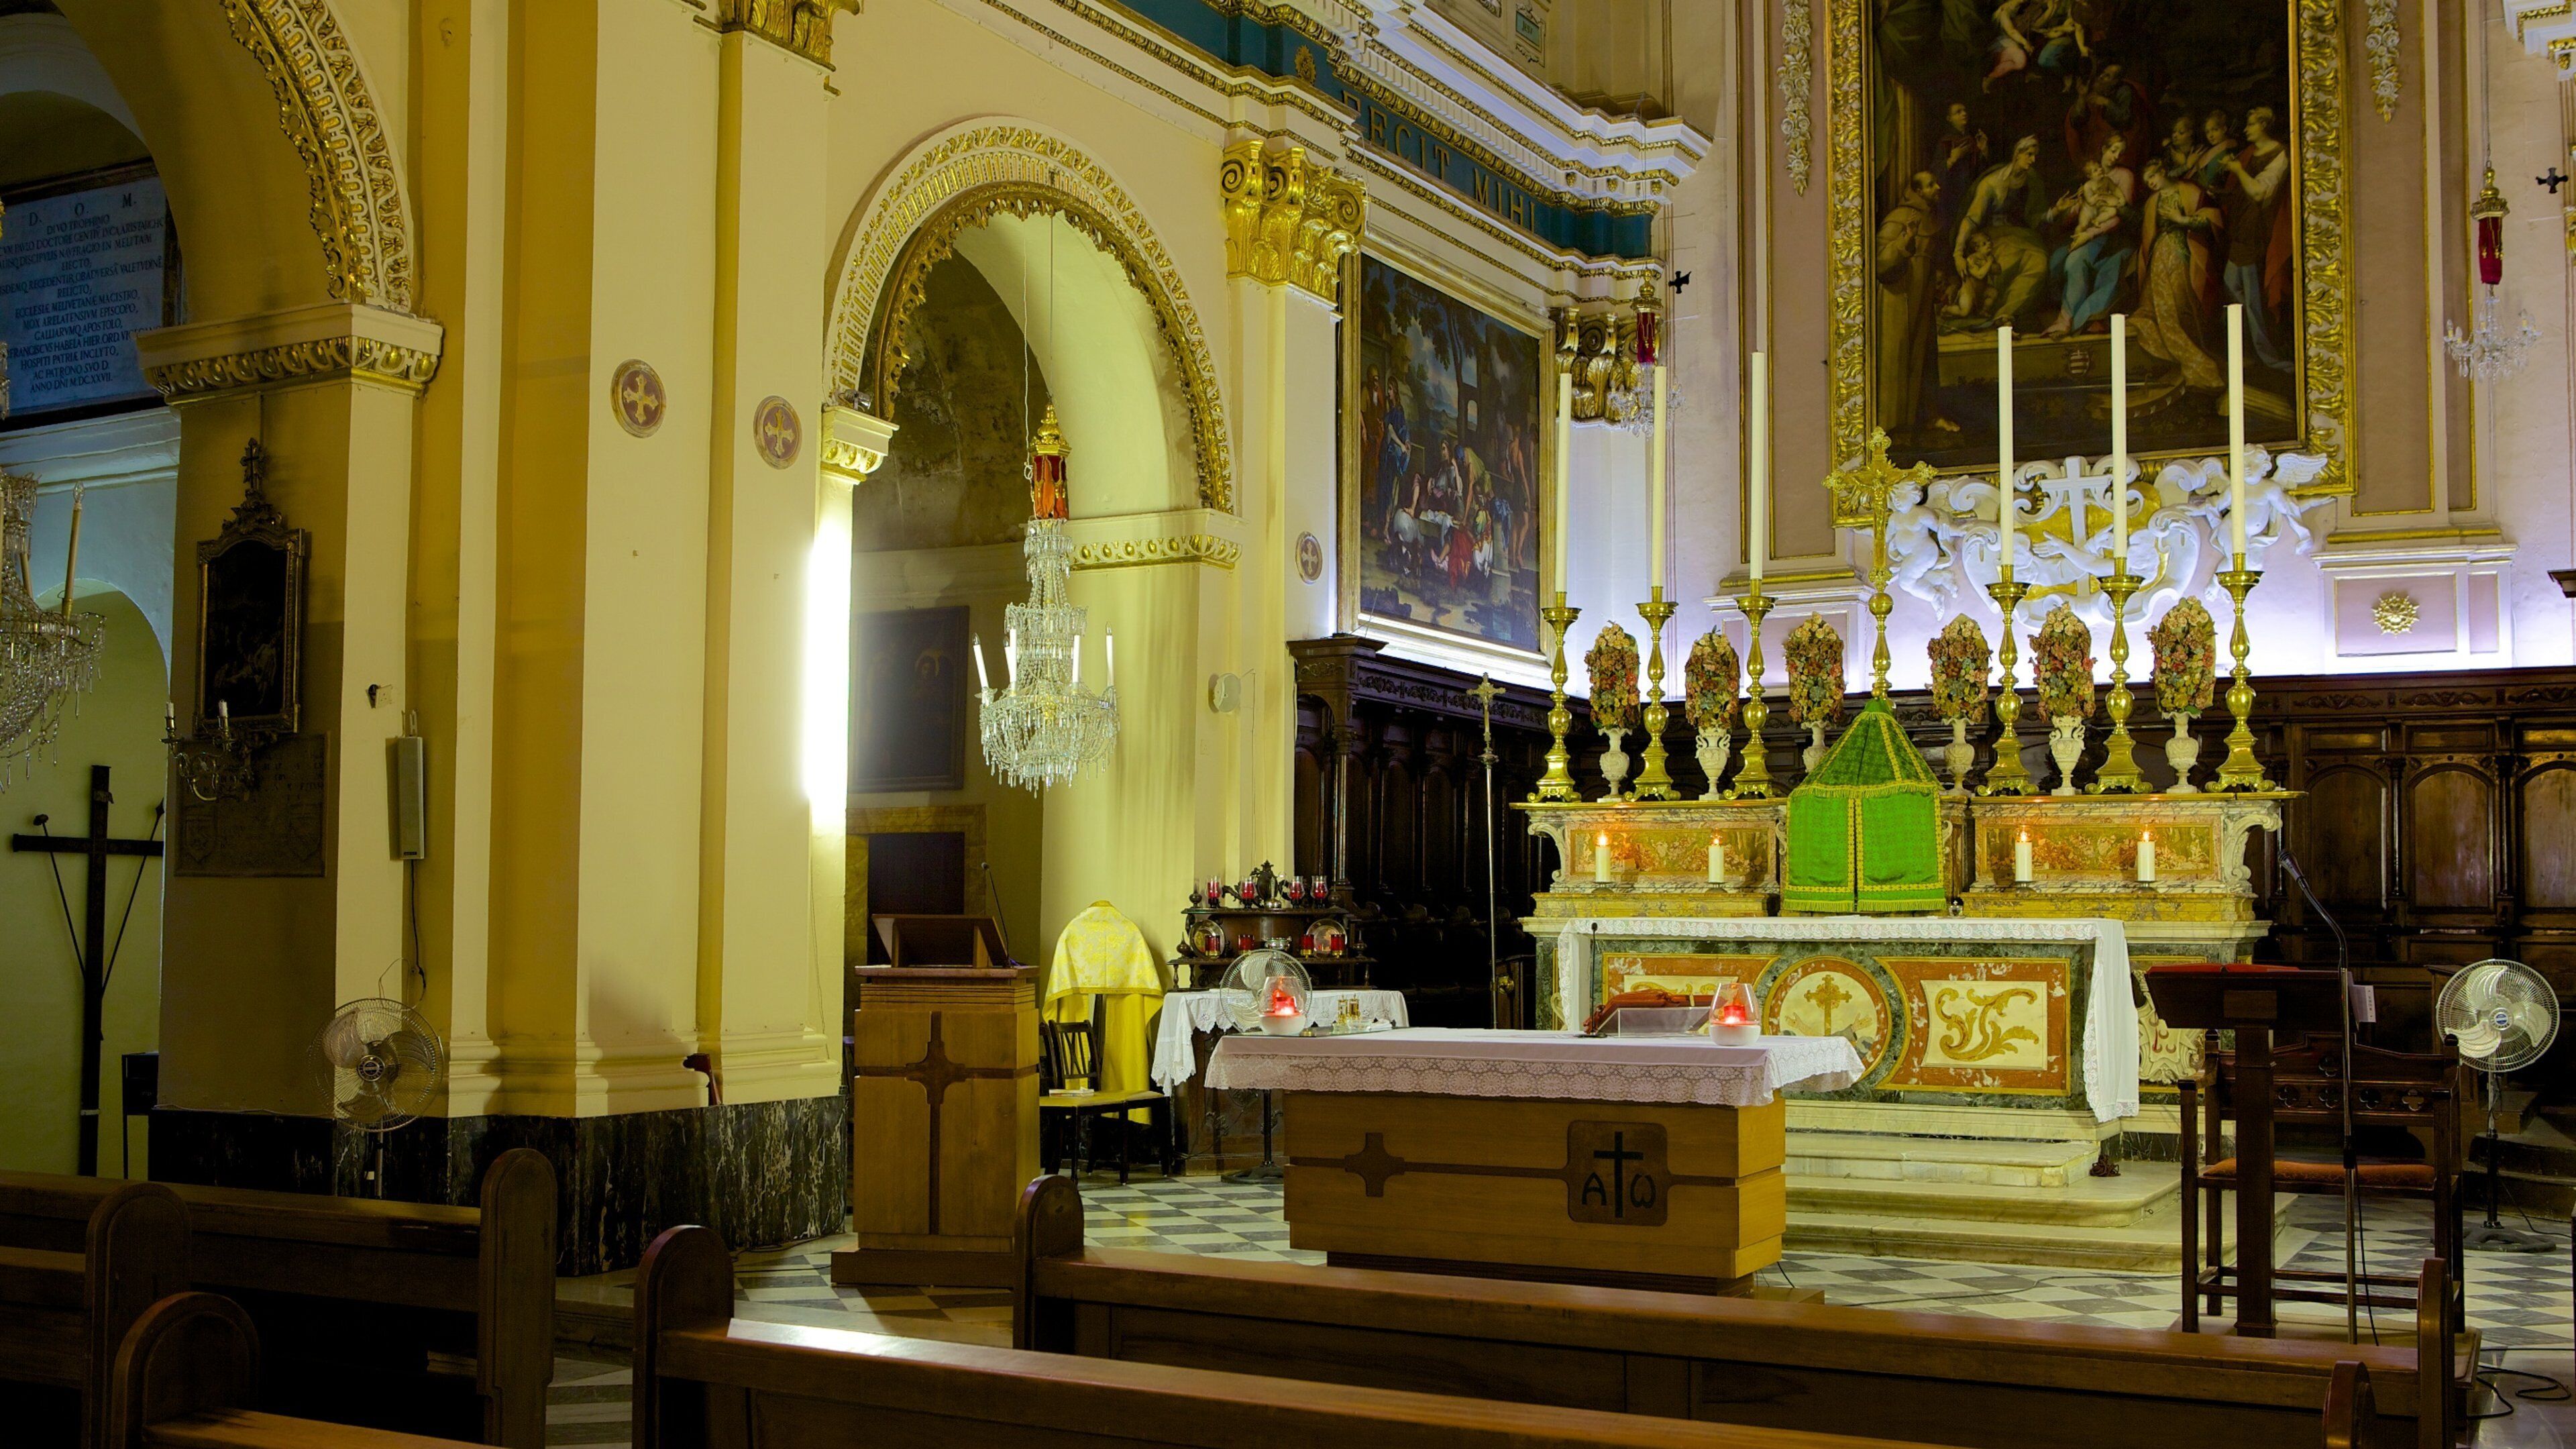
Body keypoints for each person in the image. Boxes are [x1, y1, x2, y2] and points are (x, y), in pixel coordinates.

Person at [2125, 158, 2225, 391]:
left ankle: (2199, 359)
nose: (2151, 183)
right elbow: (2148, 233)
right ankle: (2186, 362)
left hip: (2184, 253)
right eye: (2147, 180)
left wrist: (2182, 220)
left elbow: (2213, 219)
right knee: (2161, 309)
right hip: (2161, 255)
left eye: (2153, 176)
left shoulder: (2189, 191)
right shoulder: (2153, 201)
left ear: (2162, 171)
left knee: (2183, 302)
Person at [2219, 106, 2292, 369]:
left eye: (2251, 124)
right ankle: (2246, 348)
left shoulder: (2280, 153)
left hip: (2258, 231)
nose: (2247, 129)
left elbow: (2260, 193)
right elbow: (2238, 190)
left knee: (2252, 299)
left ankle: (2268, 357)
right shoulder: (2250, 153)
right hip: (2241, 228)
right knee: (2232, 288)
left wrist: (2238, 171)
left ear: (2264, 124)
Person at [1876, 170, 1947, 435]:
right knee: (1899, 359)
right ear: (1917, 191)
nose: (1937, 187)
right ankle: (1895, 427)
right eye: (1930, 185)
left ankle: (1928, 418)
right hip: (1900, 302)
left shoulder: (1932, 218)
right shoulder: (1899, 218)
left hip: (1923, 299)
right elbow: (1881, 262)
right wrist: (1904, 242)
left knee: (1925, 359)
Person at [2043, 136, 2137, 336]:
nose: (2116, 156)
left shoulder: (2124, 175)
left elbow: (2120, 213)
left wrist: (2091, 234)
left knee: (2074, 261)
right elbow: (2080, 211)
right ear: (2103, 149)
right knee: (2055, 262)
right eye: (2113, 150)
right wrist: (2068, 210)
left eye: (2120, 152)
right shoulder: (2087, 177)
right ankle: (2063, 314)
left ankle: (2067, 321)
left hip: (2110, 237)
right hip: (2087, 231)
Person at [1953, 135, 2051, 325]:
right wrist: (1958, 254)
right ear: (2017, 154)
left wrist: (2054, 213)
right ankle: (1995, 313)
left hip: (2023, 237)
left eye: (2035, 155)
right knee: (2003, 266)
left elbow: (2035, 218)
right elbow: (1971, 220)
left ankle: (2005, 314)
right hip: (1994, 238)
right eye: (2029, 155)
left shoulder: (2032, 180)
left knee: (2039, 262)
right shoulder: (1990, 184)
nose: (2033, 160)